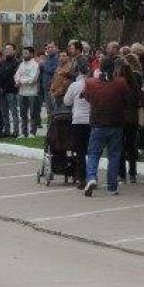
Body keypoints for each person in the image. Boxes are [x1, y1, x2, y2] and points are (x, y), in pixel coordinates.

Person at [82, 56, 129, 196]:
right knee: (114, 155)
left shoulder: (91, 83)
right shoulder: (120, 83)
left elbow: (86, 97)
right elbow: (126, 98)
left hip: (98, 124)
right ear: (114, 68)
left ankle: (91, 178)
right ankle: (112, 186)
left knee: (93, 154)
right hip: (116, 124)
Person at [63, 56, 92, 189]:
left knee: (80, 151)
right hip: (91, 120)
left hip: (78, 120)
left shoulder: (74, 85)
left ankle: (82, 179)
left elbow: (66, 101)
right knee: (92, 151)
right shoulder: (93, 83)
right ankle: (92, 177)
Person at [15, 46, 40, 138]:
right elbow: (17, 75)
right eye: (23, 53)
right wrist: (18, 80)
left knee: (33, 113)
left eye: (26, 53)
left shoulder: (35, 65)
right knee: (22, 113)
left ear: (31, 54)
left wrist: (21, 81)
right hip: (22, 92)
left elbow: (33, 78)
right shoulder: (21, 64)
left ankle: (32, 132)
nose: (24, 55)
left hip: (32, 93)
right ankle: (23, 132)